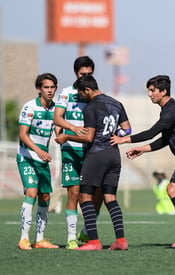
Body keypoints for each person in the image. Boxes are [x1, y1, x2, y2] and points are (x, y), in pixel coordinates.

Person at [110, 75, 175, 249]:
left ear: (163, 91)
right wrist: (143, 149)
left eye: (153, 90)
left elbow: (152, 132)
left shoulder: (172, 110)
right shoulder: (169, 110)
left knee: (172, 189)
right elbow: (165, 139)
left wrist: (125, 140)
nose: (149, 94)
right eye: (149, 90)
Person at [55, 75, 131, 250]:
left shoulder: (91, 107)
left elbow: (89, 137)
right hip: (114, 155)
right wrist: (115, 136)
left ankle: (94, 242)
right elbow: (127, 129)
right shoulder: (116, 103)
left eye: (81, 94)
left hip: (97, 155)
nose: (81, 97)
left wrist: (66, 136)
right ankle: (121, 240)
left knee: (84, 196)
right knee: (110, 197)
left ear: (88, 90)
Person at [53, 56, 103, 249]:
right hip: (71, 150)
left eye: (89, 74)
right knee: (73, 193)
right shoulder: (66, 94)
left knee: (96, 192)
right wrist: (73, 129)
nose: (86, 76)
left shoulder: (96, 95)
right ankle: (71, 237)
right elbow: (57, 118)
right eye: (83, 74)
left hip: (92, 150)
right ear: (76, 74)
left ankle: (87, 229)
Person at [17, 73, 59, 250]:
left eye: (52, 87)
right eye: (46, 87)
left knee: (45, 196)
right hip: (27, 157)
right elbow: (23, 134)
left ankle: (39, 239)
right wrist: (39, 151)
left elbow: (59, 131)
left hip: (43, 160)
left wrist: (69, 136)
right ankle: (24, 239)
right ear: (39, 89)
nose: (50, 91)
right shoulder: (30, 107)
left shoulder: (56, 108)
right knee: (32, 193)